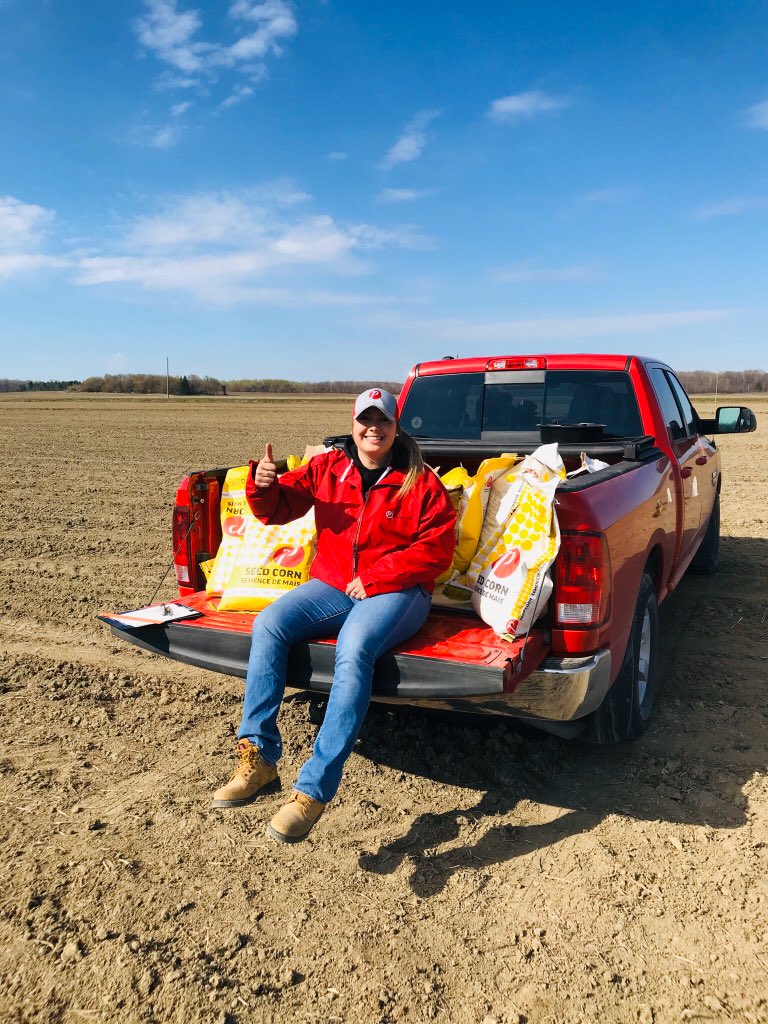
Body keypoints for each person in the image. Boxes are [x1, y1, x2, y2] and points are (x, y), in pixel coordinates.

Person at [212, 388, 456, 843]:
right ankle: (258, 757)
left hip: (400, 590)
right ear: (353, 424)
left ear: (396, 427)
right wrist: (262, 485)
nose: (373, 429)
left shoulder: (420, 482)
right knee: (268, 624)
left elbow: (437, 549)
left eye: (382, 420)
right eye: (365, 419)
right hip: (336, 582)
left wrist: (379, 576)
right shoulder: (329, 467)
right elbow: (278, 509)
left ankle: (313, 790)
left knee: (354, 646)